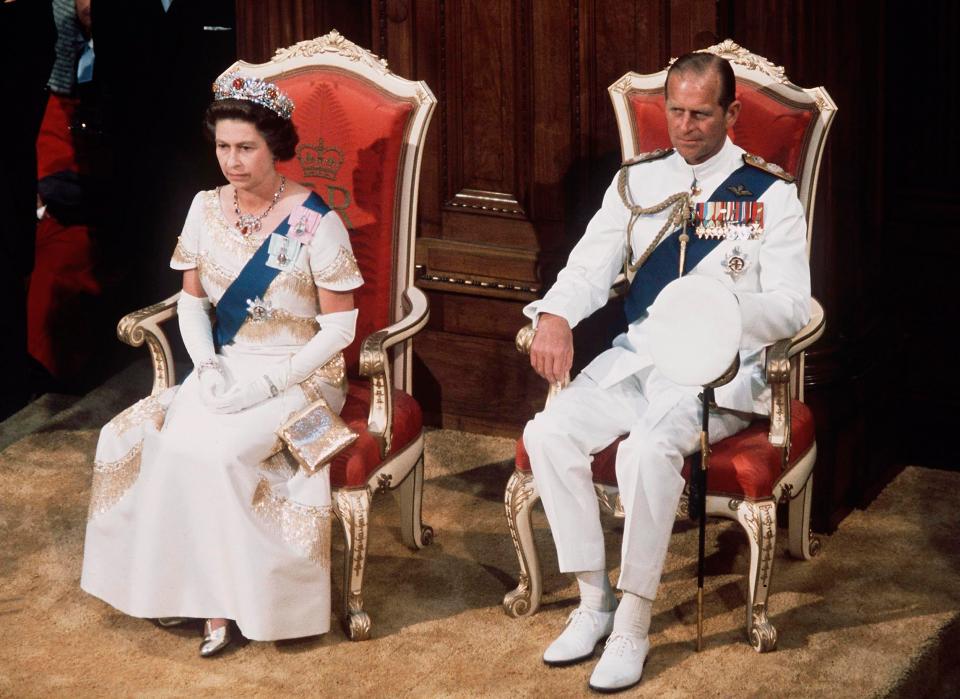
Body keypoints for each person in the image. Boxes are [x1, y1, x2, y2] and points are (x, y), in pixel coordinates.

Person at [522, 52, 810, 692]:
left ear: (731, 113)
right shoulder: (639, 182)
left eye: (701, 113)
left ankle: (633, 621)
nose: (685, 127)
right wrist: (554, 317)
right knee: (548, 433)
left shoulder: (769, 194)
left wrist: (720, 309)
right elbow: (590, 265)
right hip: (641, 357)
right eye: (675, 112)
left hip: (718, 371)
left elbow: (795, 305)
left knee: (647, 453)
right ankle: (594, 601)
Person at [80, 74, 364, 656]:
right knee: (173, 443)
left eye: (246, 147)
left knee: (218, 453)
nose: (231, 161)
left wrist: (268, 382)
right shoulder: (203, 208)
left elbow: (340, 329)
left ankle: (238, 604)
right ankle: (197, 595)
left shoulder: (316, 220)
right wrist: (206, 365)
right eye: (222, 147)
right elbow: (191, 303)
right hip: (227, 362)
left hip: (302, 373)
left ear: (275, 146)